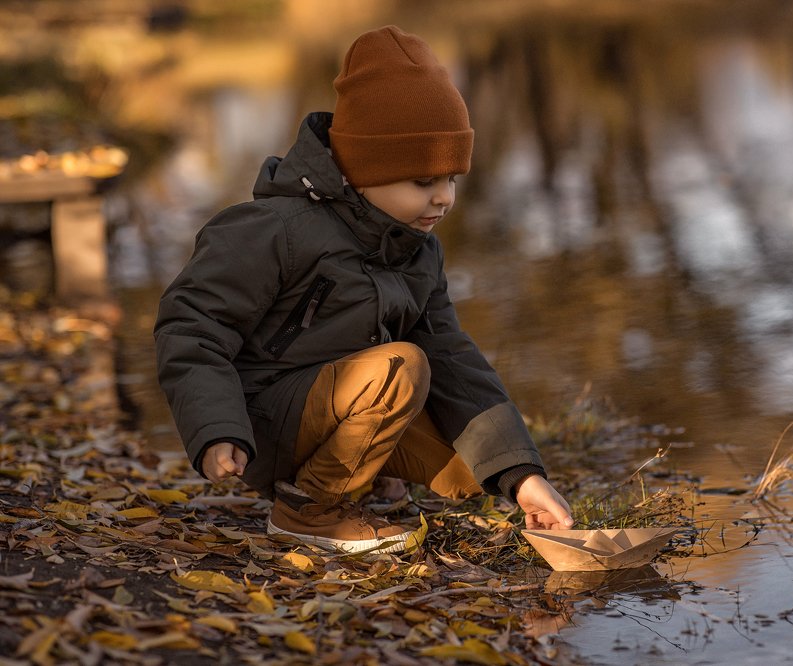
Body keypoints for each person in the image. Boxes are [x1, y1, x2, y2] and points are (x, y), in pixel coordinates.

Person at [154, 25, 574, 553]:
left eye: (452, 179)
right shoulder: (274, 229)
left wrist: (521, 476)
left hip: (339, 407)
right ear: (362, 169)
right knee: (402, 366)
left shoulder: (418, 251)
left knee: (473, 472)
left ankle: (364, 471)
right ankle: (310, 510)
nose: (443, 198)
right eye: (423, 182)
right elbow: (192, 324)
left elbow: (454, 360)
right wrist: (216, 428)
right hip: (258, 424)